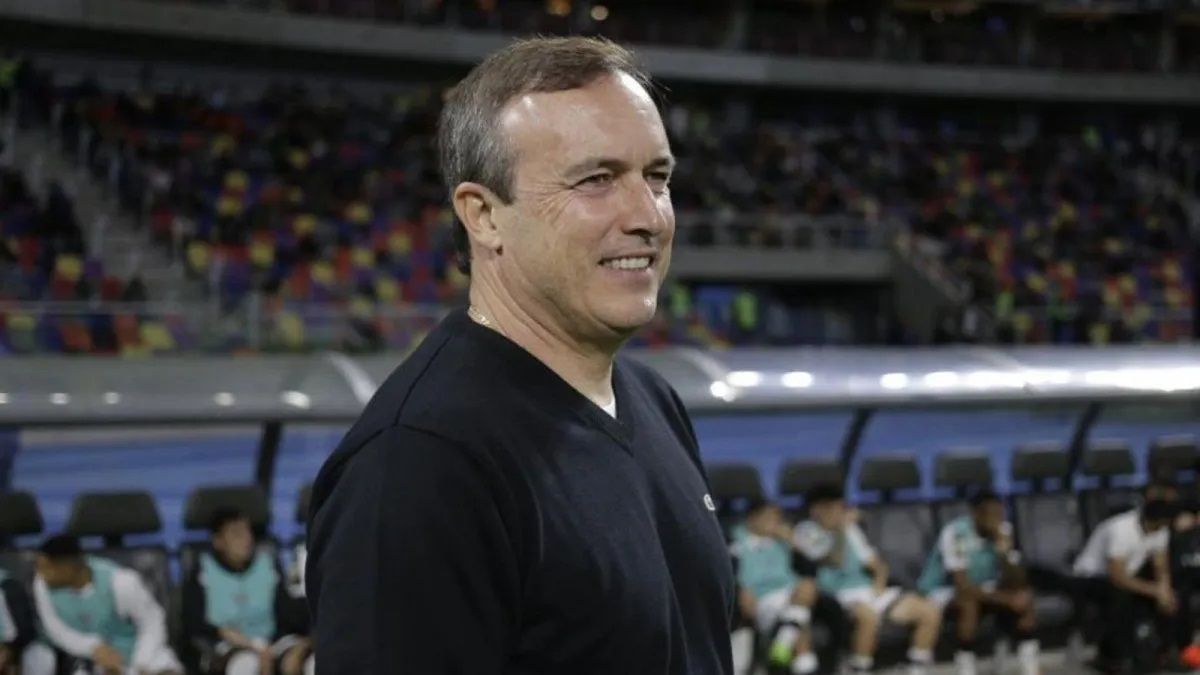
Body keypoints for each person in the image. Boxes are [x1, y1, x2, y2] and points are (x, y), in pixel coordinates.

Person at [306, 36, 733, 674]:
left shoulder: (652, 401)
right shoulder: (420, 464)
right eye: (596, 180)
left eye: (657, 177)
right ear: (483, 215)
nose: (648, 215)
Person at [795, 483, 942, 675]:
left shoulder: (850, 530)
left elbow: (877, 564)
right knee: (868, 617)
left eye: (842, 507)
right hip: (836, 596)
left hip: (867, 590)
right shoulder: (805, 532)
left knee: (929, 611)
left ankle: (917, 669)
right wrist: (841, 528)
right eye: (835, 508)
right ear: (817, 510)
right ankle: (859, 668)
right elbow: (834, 559)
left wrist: (878, 586)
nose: (841, 512)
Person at [917, 490, 1039, 675]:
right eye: (992, 514)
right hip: (942, 591)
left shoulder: (1004, 531)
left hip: (985, 586)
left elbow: (1018, 579)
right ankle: (965, 665)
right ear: (976, 514)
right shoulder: (956, 533)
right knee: (969, 603)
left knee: (1024, 596)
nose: (997, 519)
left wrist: (1004, 554)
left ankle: (1030, 667)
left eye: (1000, 514)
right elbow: (962, 585)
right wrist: (1006, 600)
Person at [182, 509, 312, 675]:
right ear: (218, 541)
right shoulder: (203, 571)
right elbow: (193, 623)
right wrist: (227, 634)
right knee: (246, 663)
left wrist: (305, 643)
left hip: (272, 641)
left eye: (248, 532)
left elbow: (289, 614)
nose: (246, 539)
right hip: (225, 644)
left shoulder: (267, 566)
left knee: (309, 661)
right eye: (236, 534)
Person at [32, 535, 182, 675]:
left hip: (137, 650)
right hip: (83, 655)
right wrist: (93, 648)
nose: (40, 573)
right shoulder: (41, 585)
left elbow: (152, 623)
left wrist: (142, 663)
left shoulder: (122, 583)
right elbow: (55, 629)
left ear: (70, 567)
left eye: (46, 568)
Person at [1073, 496, 1176, 674]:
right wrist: (1154, 591)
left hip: (1128, 575)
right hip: (1092, 577)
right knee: (1120, 598)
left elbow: (1161, 565)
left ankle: (1164, 651)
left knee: (1172, 599)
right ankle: (1117, 657)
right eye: (1159, 526)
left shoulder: (1161, 529)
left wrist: (1165, 592)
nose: (1161, 530)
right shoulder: (1120, 529)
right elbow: (1117, 576)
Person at [730, 500, 820, 674]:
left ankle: (781, 648)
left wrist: (793, 542)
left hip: (790, 592)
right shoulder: (736, 542)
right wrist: (741, 590)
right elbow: (730, 574)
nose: (774, 523)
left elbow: (811, 564)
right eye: (769, 517)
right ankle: (794, 657)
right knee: (800, 619)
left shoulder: (782, 542)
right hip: (761, 597)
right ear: (752, 519)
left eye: (777, 518)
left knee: (806, 591)